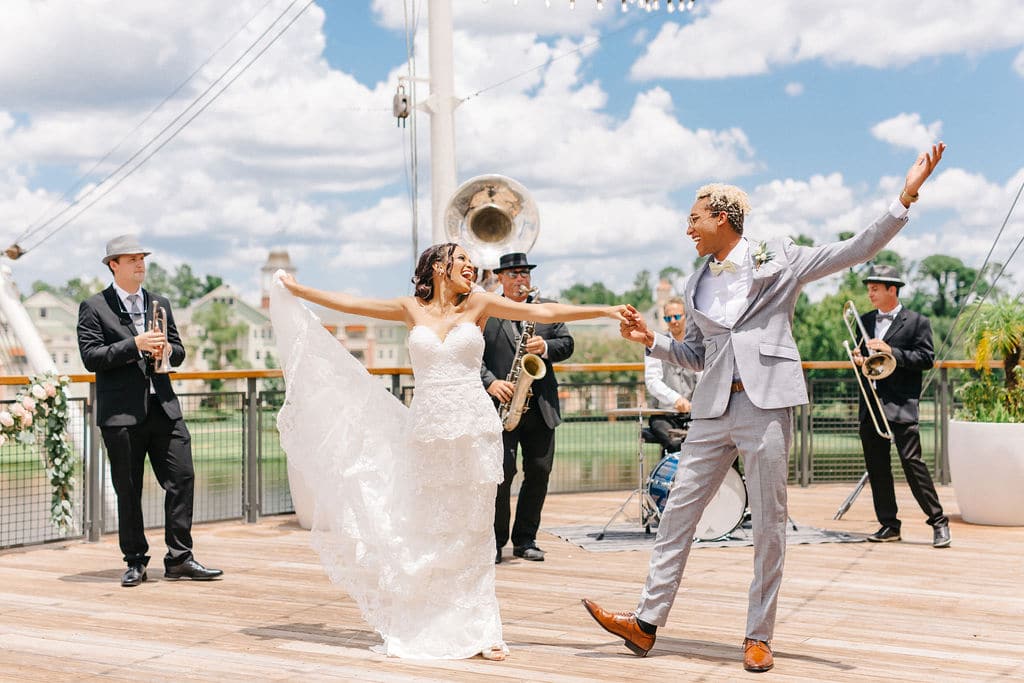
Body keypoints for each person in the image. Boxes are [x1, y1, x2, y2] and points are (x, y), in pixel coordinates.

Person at [582, 143, 946, 673]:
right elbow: (699, 353)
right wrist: (653, 339)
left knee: (770, 523)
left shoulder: (780, 255)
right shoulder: (696, 280)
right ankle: (645, 623)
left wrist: (906, 194)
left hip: (766, 404)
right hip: (711, 409)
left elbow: (859, 248)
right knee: (678, 513)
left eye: (694, 217)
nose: (688, 227)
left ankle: (758, 635)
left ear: (723, 218)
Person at [271, 242, 627, 661]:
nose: (472, 271)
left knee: (473, 529)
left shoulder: (479, 304)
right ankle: (428, 618)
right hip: (426, 430)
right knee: (428, 526)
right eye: (464, 262)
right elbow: (352, 304)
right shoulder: (410, 309)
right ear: (440, 267)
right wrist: (298, 290)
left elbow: (544, 314)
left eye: (473, 265)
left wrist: (605, 310)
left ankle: (482, 627)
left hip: (474, 429)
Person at [76, 235, 222, 587]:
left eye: (142, 258)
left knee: (182, 478)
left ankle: (180, 558)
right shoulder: (94, 306)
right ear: (113, 265)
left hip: (164, 407)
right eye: (132, 260)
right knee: (128, 490)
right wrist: (135, 345)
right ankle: (135, 561)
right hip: (122, 415)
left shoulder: (161, 302)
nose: (140, 264)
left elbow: (180, 352)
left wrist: (166, 352)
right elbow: (91, 357)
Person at [482, 252, 574, 564]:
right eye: (514, 274)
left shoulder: (545, 308)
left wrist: (545, 347)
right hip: (502, 405)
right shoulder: (488, 311)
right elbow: (472, 355)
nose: (521, 279)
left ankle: (526, 540)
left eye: (525, 273)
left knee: (539, 472)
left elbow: (567, 343)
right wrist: (491, 382)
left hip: (541, 406)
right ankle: (494, 542)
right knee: (502, 474)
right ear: (500, 278)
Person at [853, 264, 950, 548]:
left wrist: (891, 351)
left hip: (901, 402)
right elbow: (864, 359)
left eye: (875, 289)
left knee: (913, 463)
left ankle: (939, 522)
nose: (870, 294)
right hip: (871, 404)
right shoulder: (865, 319)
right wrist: (859, 360)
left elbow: (926, 358)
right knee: (877, 466)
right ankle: (889, 525)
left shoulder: (917, 321)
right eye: (869, 289)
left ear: (891, 290)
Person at [644, 296, 699, 454]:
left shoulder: (697, 343)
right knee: (675, 444)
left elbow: (703, 376)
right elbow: (652, 380)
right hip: (664, 415)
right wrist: (676, 399)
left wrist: (698, 404)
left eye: (677, 316)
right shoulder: (655, 344)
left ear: (686, 316)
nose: (673, 321)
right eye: (668, 318)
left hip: (695, 414)